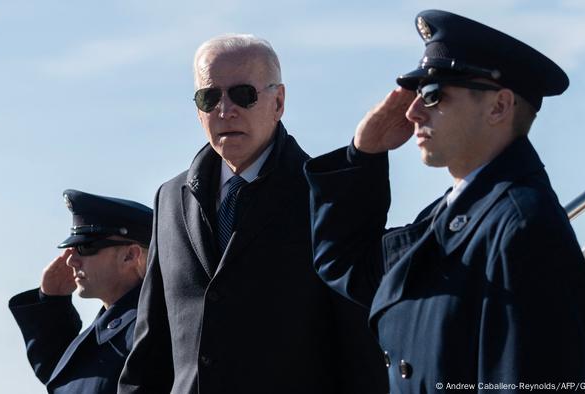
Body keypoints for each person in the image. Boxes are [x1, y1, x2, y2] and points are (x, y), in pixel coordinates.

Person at [303, 10, 585, 393]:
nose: (412, 111)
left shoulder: (525, 229)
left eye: (433, 94)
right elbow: (348, 267)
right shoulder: (453, 216)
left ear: (498, 107)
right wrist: (363, 155)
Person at [118, 34, 388, 394]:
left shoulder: (323, 198)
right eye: (210, 97)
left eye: (243, 94)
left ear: (278, 102)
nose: (225, 110)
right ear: (198, 111)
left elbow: (359, 353)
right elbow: (151, 349)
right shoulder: (169, 199)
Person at [9, 189, 153, 394]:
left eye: (86, 247)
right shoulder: (116, 326)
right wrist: (52, 303)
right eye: (72, 249)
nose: (71, 260)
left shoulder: (151, 328)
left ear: (130, 255)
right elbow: (65, 377)